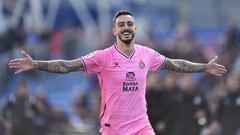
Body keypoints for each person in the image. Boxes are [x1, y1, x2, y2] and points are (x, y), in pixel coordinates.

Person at [8, 10, 227, 135]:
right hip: (113, 128)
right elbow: (68, 65)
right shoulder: (102, 56)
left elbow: (175, 64)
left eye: (129, 24)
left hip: (141, 125)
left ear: (135, 29)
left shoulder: (146, 54)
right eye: (121, 24)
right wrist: (37, 64)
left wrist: (204, 67)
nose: (126, 27)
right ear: (114, 30)